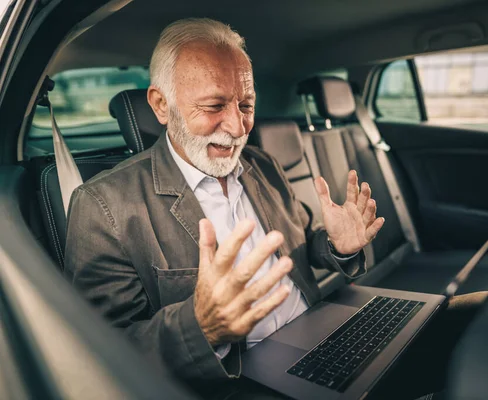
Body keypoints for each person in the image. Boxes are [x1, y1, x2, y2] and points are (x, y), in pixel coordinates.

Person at [64, 17, 386, 397]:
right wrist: (199, 326)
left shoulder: (262, 165)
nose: (237, 127)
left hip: (319, 342)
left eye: (246, 104)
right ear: (161, 105)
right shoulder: (105, 206)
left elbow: (302, 245)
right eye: (215, 105)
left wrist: (335, 245)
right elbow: (99, 350)